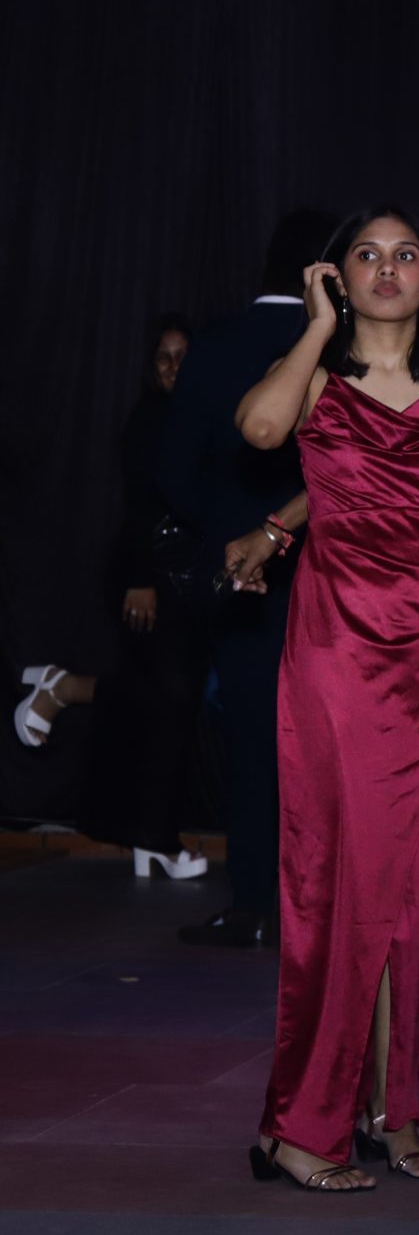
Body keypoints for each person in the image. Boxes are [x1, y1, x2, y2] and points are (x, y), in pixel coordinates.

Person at [233, 206, 419, 1192]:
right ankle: (301, 1123)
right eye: (366, 255)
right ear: (337, 276)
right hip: (342, 655)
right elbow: (261, 428)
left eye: (407, 255)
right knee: (344, 884)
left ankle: (390, 1107)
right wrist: (316, 327)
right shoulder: (318, 381)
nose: (387, 268)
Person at [154, 209, 335, 946]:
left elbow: (172, 470)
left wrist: (233, 535)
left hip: (244, 577)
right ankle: (325, 906)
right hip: (340, 571)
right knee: (333, 743)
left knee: (255, 740)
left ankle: (256, 902)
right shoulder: (349, 344)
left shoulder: (217, 343)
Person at [14, 314, 215, 879]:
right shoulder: (149, 420)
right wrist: (141, 579)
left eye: (182, 356)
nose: (173, 367)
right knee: (167, 702)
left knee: (165, 707)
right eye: (163, 358)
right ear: (152, 368)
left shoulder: (199, 416)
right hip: (147, 577)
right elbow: (139, 506)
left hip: (189, 582)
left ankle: (149, 837)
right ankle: (63, 690)